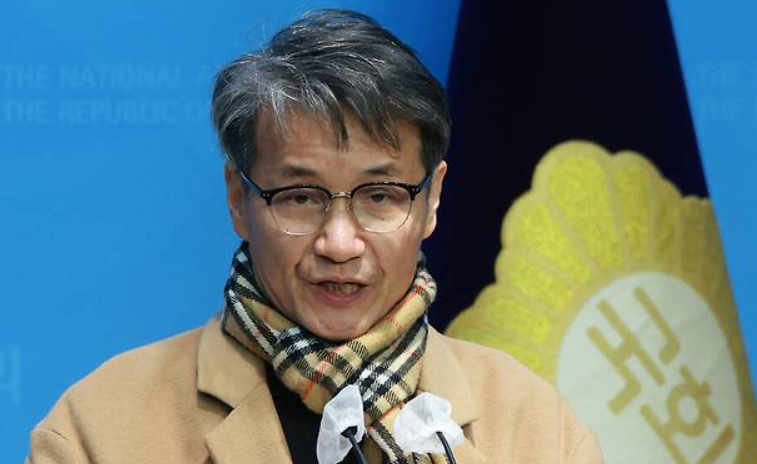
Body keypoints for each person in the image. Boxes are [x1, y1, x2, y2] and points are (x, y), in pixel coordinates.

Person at [27, 9, 603, 464]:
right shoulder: (96, 431)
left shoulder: (539, 429)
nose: (340, 244)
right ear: (238, 198)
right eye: (300, 197)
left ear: (431, 201)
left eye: (380, 196)